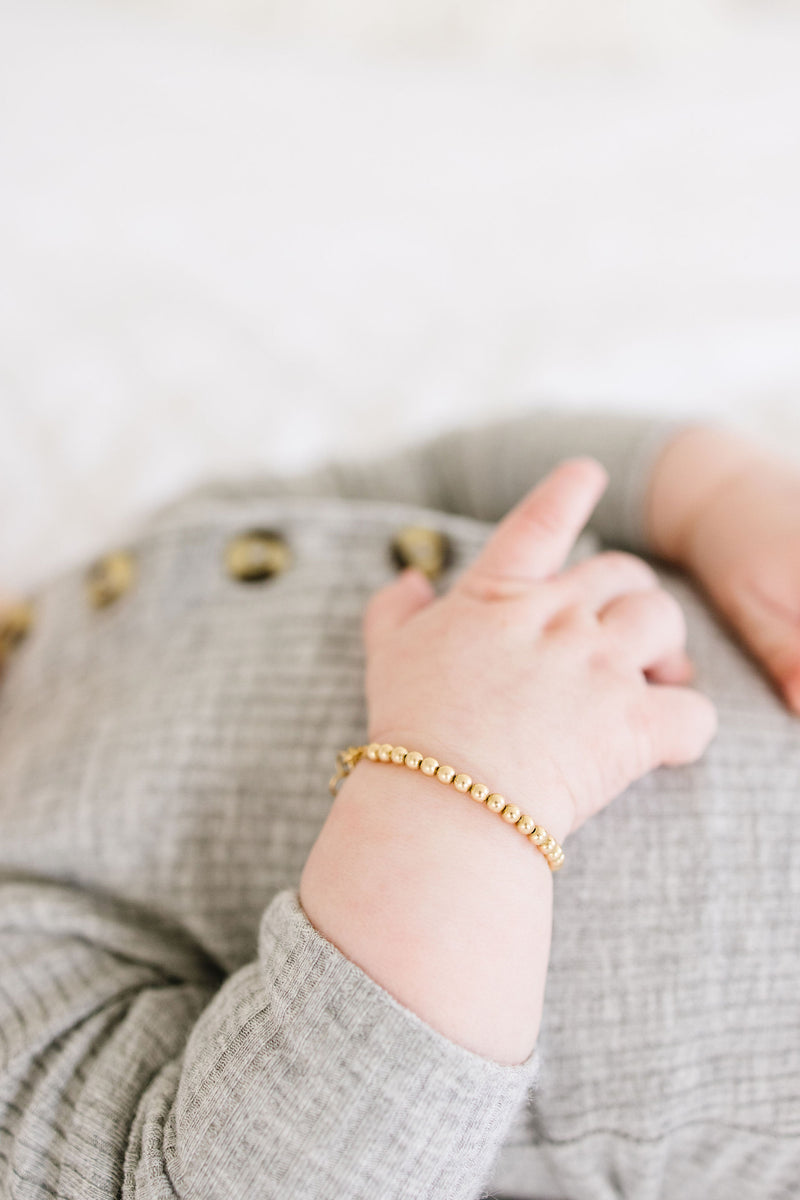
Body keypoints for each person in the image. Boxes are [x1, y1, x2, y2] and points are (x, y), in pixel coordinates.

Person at [0, 406, 797, 1200]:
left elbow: (444, 480)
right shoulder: (22, 922)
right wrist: (474, 761)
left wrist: (713, 493)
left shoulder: (158, 553)